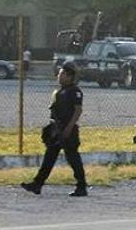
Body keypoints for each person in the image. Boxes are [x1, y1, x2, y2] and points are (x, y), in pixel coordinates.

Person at [21, 63, 88, 197]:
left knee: (73, 159)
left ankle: (82, 186)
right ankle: (37, 184)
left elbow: (78, 110)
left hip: (68, 130)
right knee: (49, 157)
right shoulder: (60, 91)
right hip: (57, 129)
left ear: (69, 77)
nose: (59, 76)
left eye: (62, 74)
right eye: (59, 74)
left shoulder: (74, 91)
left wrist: (69, 128)